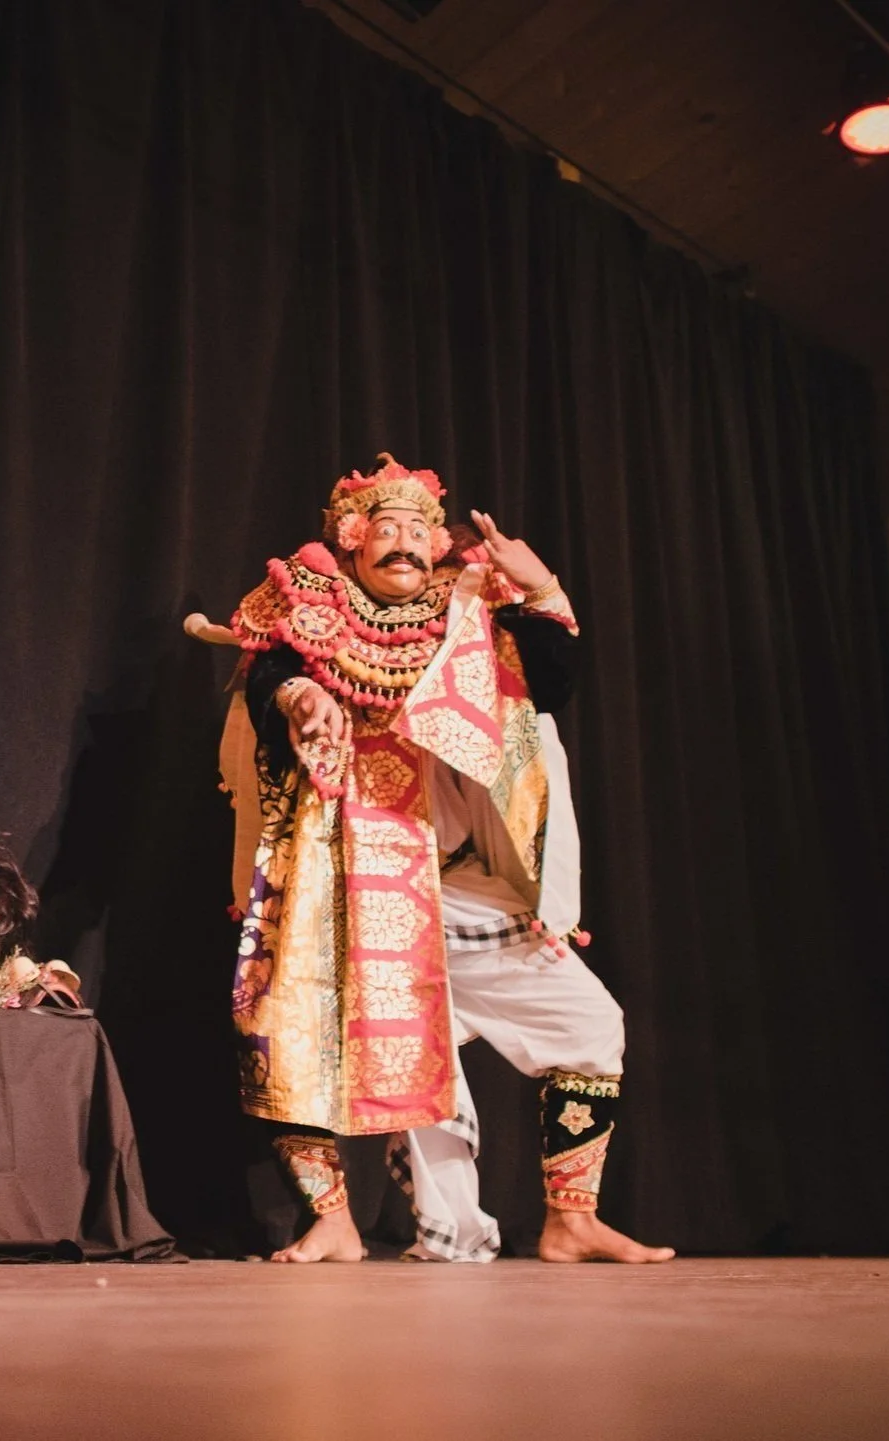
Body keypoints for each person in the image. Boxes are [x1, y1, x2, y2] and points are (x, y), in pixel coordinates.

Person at [222, 453, 672, 1264]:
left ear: (437, 546)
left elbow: (550, 686)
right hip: (354, 888)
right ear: (354, 543)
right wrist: (301, 696)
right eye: (383, 529)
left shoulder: (471, 612)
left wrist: (540, 590)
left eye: (416, 530)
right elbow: (270, 675)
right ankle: (333, 1219)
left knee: (589, 1025)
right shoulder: (313, 608)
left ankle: (570, 1219)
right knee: (298, 1036)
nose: (401, 543)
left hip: (465, 887)